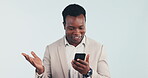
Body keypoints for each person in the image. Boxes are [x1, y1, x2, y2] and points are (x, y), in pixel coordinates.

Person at [22, 4, 111, 78]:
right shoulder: (51, 49)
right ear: (64, 25)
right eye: (71, 28)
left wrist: (88, 72)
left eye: (81, 27)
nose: (77, 32)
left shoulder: (99, 48)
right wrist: (41, 71)